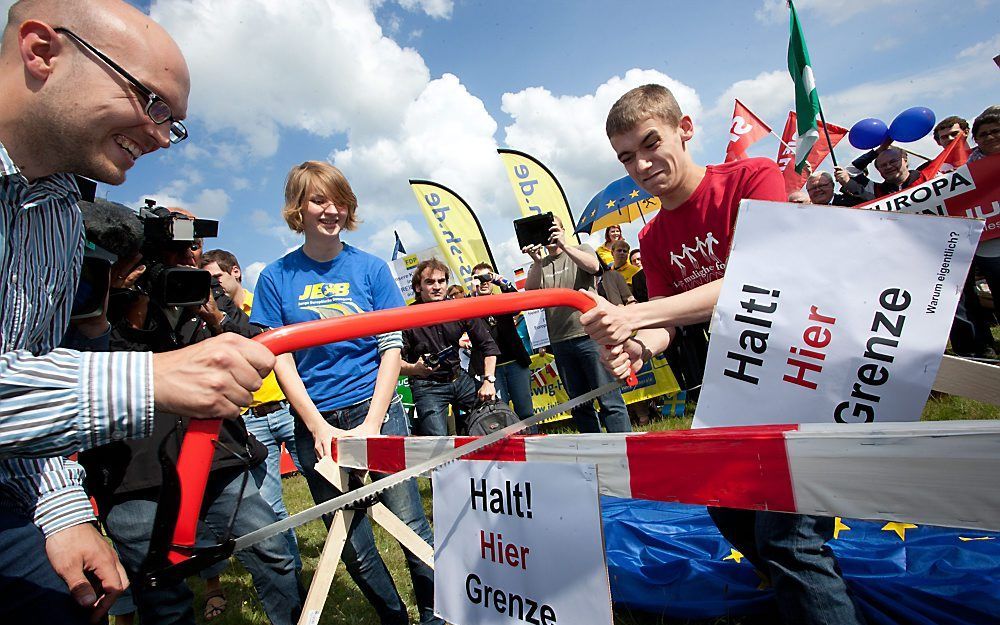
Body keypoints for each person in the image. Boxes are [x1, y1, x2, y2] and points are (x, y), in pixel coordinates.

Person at [0, 3, 273, 623]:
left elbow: (31, 370)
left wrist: (62, 512)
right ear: (42, 51)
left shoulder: (60, 218)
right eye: (151, 101)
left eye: (172, 124)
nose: (158, 136)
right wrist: (153, 378)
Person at [582, 84, 866, 625]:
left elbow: (760, 277)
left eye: (649, 144)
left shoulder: (752, 176)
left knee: (788, 540)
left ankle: (812, 590)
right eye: (625, 157)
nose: (640, 164)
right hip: (738, 386)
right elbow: (668, 319)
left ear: (684, 128)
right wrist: (638, 347)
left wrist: (635, 316)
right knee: (725, 504)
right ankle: (809, 591)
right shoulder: (653, 237)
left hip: (805, 370)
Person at [78, 206, 302, 625]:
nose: (187, 259)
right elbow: (102, 370)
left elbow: (258, 350)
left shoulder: (207, 294)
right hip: (134, 471)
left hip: (219, 454)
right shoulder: (103, 294)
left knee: (274, 554)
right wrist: (134, 303)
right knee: (162, 589)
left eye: (193, 247)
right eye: (174, 250)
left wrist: (215, 317)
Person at [252, 161, 442, 625]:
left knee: (411, 523)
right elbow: (281, 358)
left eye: (339, 200)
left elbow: (392, 346)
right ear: (299, 208)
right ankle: (393, 617)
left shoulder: (371, 268)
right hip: (313, 419)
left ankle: (439, 616)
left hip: (378, 408)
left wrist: (374, 422)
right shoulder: (275, 278)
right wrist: (317, 425)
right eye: (319, 200)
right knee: (352, 539)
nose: (331, 210)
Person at [201, 249, 303, 575]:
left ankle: (347, 552)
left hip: (289, 409)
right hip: (252, 420)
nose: (212, 286)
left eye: (216, 278)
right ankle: (293, 574)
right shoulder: (206, 320)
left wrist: (221, 319)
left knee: (327, 487)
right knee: (270, 504)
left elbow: (260, 346)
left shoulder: (264, 307)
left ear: (236, 272)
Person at [523, 215, 631, 433]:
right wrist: (535, 261)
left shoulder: (582, 249)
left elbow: (594, 267)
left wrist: (563, 245)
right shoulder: (540, 264)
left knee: (609, 399)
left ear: (563, 230)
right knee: (580, 404)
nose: (550, 234)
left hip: (590, 335)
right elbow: (530, 292)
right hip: (561, 341)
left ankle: (625, 448)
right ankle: (595, 452)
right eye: (546, 231)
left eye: (554, 229)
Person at [401, 259, 501, 436]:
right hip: (427, 386)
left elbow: (488, 345)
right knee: (437, 444)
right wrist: (414, 369)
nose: (437, 286)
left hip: (459, 378)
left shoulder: (460, 308)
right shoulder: (406, 317)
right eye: (430, 282)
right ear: (418, 287)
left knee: (498, 414)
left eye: (441, 281)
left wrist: (488, 381)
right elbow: (391, 362)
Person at [469, 262, 534, 423]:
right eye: (479, 278)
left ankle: (532, 445)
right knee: (498, 414)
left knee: (525, 411)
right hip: (490, 369)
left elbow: (519, 304)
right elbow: (465, 320)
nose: (484, 282)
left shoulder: (502, 299)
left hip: (515, 363)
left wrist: (502, 282)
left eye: (487, 277)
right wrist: (472, 295)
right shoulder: (469, 304)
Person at [835, 143, 919, 201]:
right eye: (883, 165)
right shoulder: (876, 190)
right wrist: (877, 152)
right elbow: (850, 171)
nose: (888, 166)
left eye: (893, 161)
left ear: (905, 161)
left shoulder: (927, 176)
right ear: (878, 170)